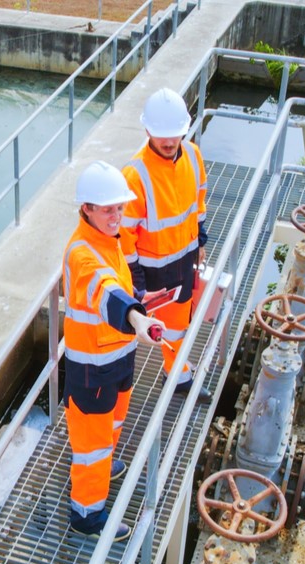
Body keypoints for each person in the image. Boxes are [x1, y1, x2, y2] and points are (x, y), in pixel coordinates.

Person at [62, 160, 165, 541]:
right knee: (92, 444)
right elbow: (103, 291)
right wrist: (137, 319)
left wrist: (139, 300)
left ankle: (104, 469)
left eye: (120, 208)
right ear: (86, 208)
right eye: (108, 209)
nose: (117, 215)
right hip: (93, 370)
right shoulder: (81, 253)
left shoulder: (110, 240)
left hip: (117, 359)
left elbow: (119, 288)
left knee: (111, 429)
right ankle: (86, 515)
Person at [121, 88, 212, 402]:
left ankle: (177, 374)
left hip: (184, 265)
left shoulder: (194, 156)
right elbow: (125, 236)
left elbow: (198, 201)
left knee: (178, 327)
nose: (169, 141)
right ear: (148, 130)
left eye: (174, 134)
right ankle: (120, 391)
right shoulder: (135, 175)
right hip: (150, 276)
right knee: (133, 331)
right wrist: (137, 282)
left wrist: (201, 240)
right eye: (162, 135)